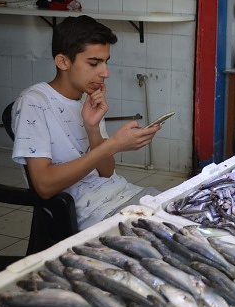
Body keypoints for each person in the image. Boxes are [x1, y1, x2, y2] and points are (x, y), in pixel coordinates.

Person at [11, 16, 162, 230]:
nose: (105, 73)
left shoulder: (87, 98)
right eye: (94, 63)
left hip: (121, 195)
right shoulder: (34, 103)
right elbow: (44, 186)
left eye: (105, 62)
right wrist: (113, 145)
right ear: (63, 62)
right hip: (92, 214)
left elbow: (107, 172)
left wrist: (92, 128)